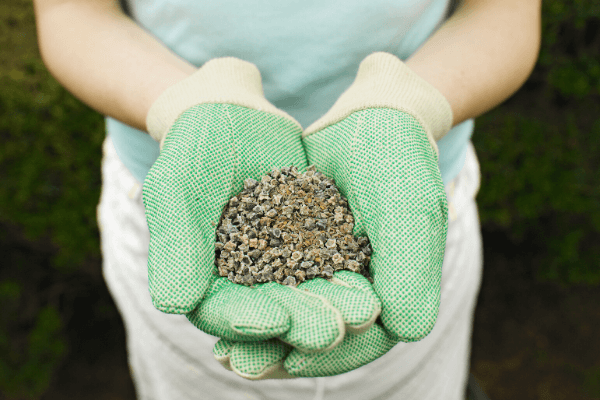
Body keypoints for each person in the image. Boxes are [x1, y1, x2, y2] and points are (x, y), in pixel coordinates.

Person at [33, 0, 542, 398]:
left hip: (410, 201)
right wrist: (187, 104)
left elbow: (503, 12)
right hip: (178, 205)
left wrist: (408, 103)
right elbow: (72, 12)